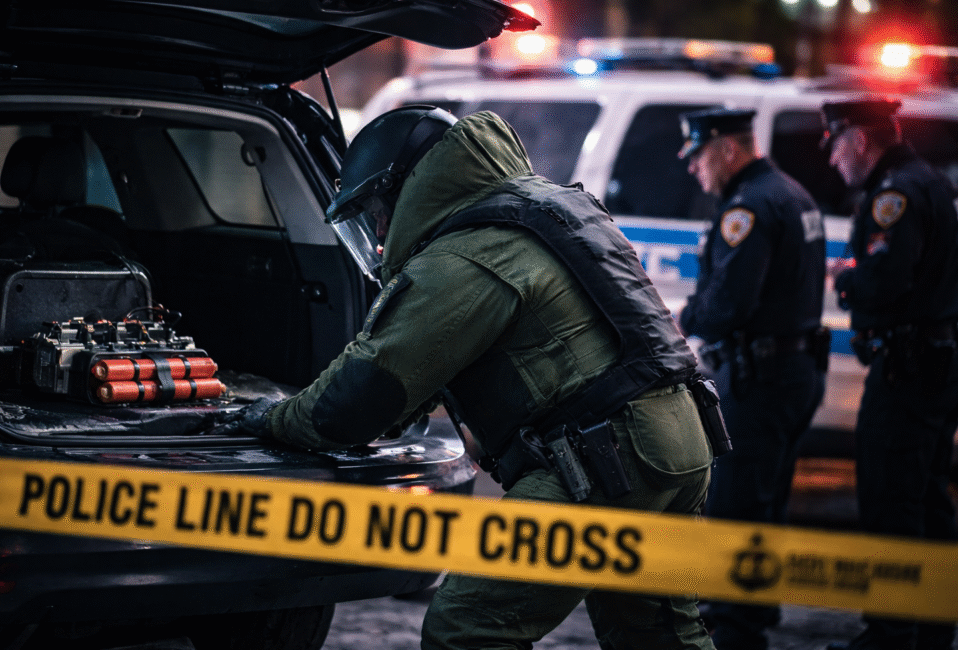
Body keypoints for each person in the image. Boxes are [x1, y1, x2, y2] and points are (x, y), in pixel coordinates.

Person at [209, 105, 721, 649]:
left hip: (610, 463)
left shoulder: (464, 254)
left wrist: (270, 417)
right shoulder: (535, 212)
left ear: (408, 187)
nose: (379, 231)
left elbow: (357, 400)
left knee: (469, 627)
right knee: (661, 635)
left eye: (377, 211)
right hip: (681, 444)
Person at [677, 108, 829, 650]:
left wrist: (684, 318)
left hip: (759, 379)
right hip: (793, 371)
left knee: (737, 504)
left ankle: (738, 631)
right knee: (766, 503)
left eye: (697, 157)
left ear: (726, 150)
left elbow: (729, 304)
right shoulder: (790, 192)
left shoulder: (748, 208)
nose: (694, 169)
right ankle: (753, 614)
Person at [819, 97, 958, 650]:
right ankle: (930, 627)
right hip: (934, 361)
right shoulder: (928, 181)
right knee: (927, 498)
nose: (832, 159)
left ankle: (891, 633)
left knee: (890, 499)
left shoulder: (894, 193)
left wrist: (849, 278)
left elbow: (887, 280)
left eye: (834, 145)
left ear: (859, 139)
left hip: (907, 368)